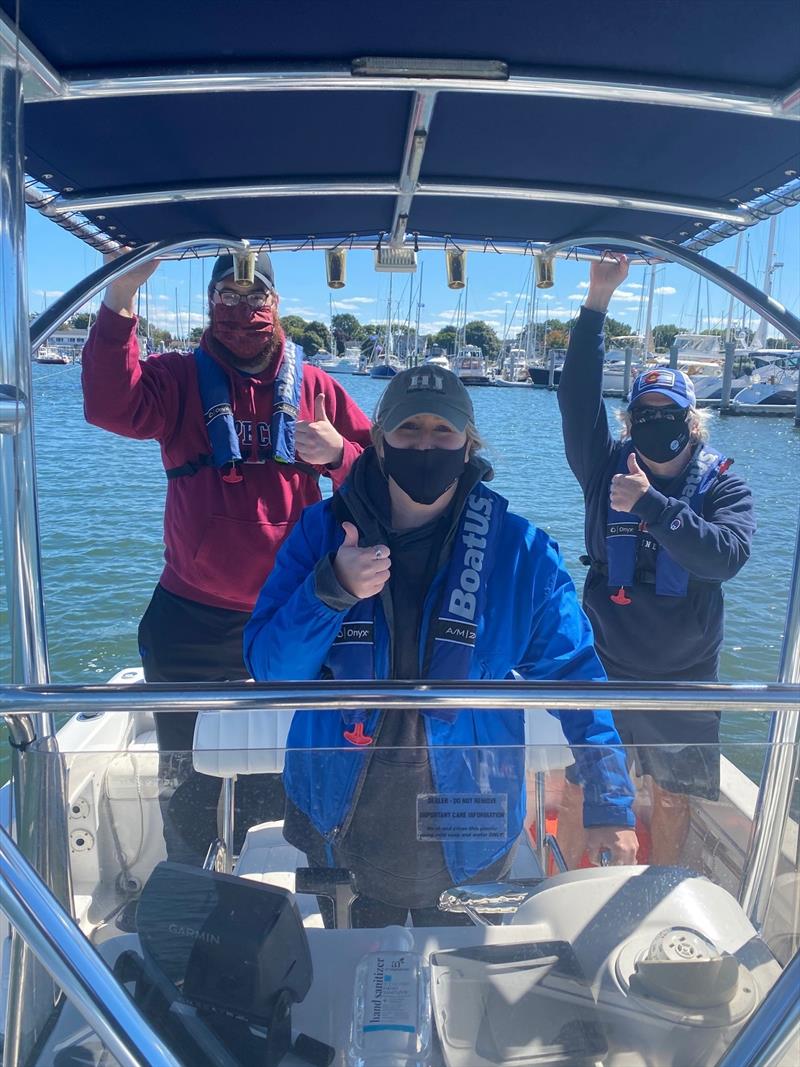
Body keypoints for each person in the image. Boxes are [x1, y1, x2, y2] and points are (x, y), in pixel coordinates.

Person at [244, 367, 637, 927]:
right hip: (338, 816)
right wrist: (329, 589)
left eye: (442, 431)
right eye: (408, 430)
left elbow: (575, 678)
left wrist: (609, 800)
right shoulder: (320, 534)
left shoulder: (522, 552)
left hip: (469, 824)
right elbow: (271, 670)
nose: (425, 444)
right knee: (351, 974)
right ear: (378, 442)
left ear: (468, 444)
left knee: (464, 997)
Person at [82, 251, 372, 865]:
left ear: (276, 305)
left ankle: (291, 885)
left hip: (294, 616)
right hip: (189, 619)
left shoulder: (318, 387)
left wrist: (340, 454)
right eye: (228, 300)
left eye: (255, 299)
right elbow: (109, 405)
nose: (242, 314)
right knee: (185, 780)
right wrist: (120, 299)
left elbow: (386, 480)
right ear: (210, 304)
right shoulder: (175, 378)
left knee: (291, 772)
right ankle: (190, 892)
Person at [557, 254, 755, 867]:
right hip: (605, 664)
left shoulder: (725, 485)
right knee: (586, 784)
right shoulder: (602, 466)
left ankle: (657, 890)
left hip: (685, 675)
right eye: (645, 415)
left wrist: (655, 508)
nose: (657, 424)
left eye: (670, 414)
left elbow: (726, 558)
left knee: (672, 797)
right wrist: (596, 302)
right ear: (630, 421)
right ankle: (559, 886)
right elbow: (576, 397)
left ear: (693, 421)